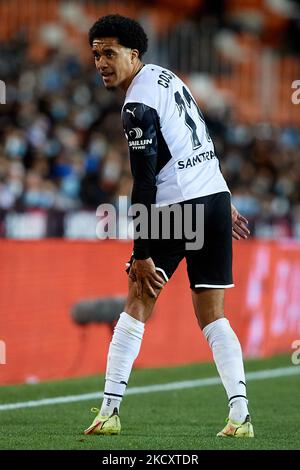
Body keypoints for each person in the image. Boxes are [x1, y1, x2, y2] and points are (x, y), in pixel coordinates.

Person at [84, 14, 254, 438]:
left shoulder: (136, 105)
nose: (102, 62)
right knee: (214, 317)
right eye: (95, 55)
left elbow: (144, 184)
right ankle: (241, 416)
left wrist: (141, 254)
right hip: (215, 198)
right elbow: (200, 138)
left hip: (180, 205)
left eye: (110, 53)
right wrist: (223, 198)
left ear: (133, 53)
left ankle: (108, 412)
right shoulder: (165, 76)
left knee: (138, 300)